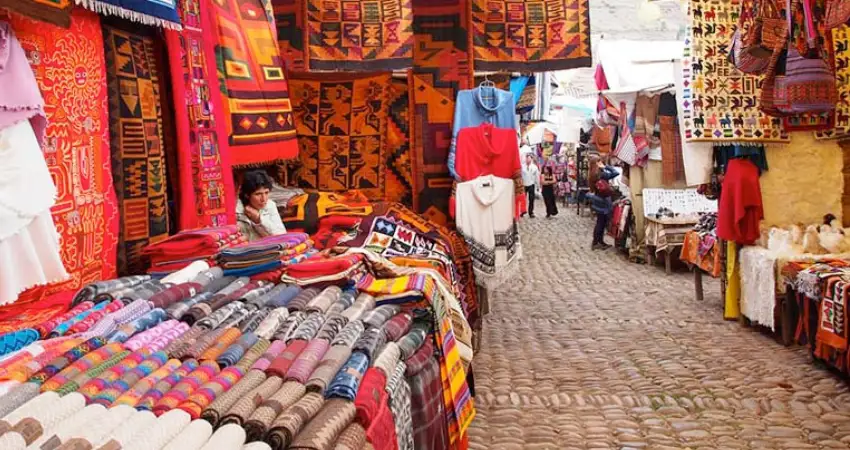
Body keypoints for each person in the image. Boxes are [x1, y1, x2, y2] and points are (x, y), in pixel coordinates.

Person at [236, 170, 286, 241]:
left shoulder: (270, 205)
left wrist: (258, 219)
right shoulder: (237, 210)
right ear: (246, 195)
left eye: (266, 193)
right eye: (258, 194)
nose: (264, 199)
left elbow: (282, 235)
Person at [585, 159, 618, 250]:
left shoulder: (592, 174)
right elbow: (615, 173)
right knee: (601, 222)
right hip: (603, 200)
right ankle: (597, 242)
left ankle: (598, 241)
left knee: (600, 222)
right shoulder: (601, 174)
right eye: (599, 161)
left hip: (597, 199)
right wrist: (606, 167)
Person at [521, 154, 540, 218]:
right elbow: (520, 175)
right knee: (523, 199)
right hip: (524, 184)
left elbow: (537, 176)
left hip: (531, 184)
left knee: (531, 199)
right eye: (526, 158)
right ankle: (522, 211)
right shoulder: (522, 166)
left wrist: (538, 185)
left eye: (529, 158)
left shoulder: (534, 167)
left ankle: (531, 212)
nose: (527, 160)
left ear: (531, 159)